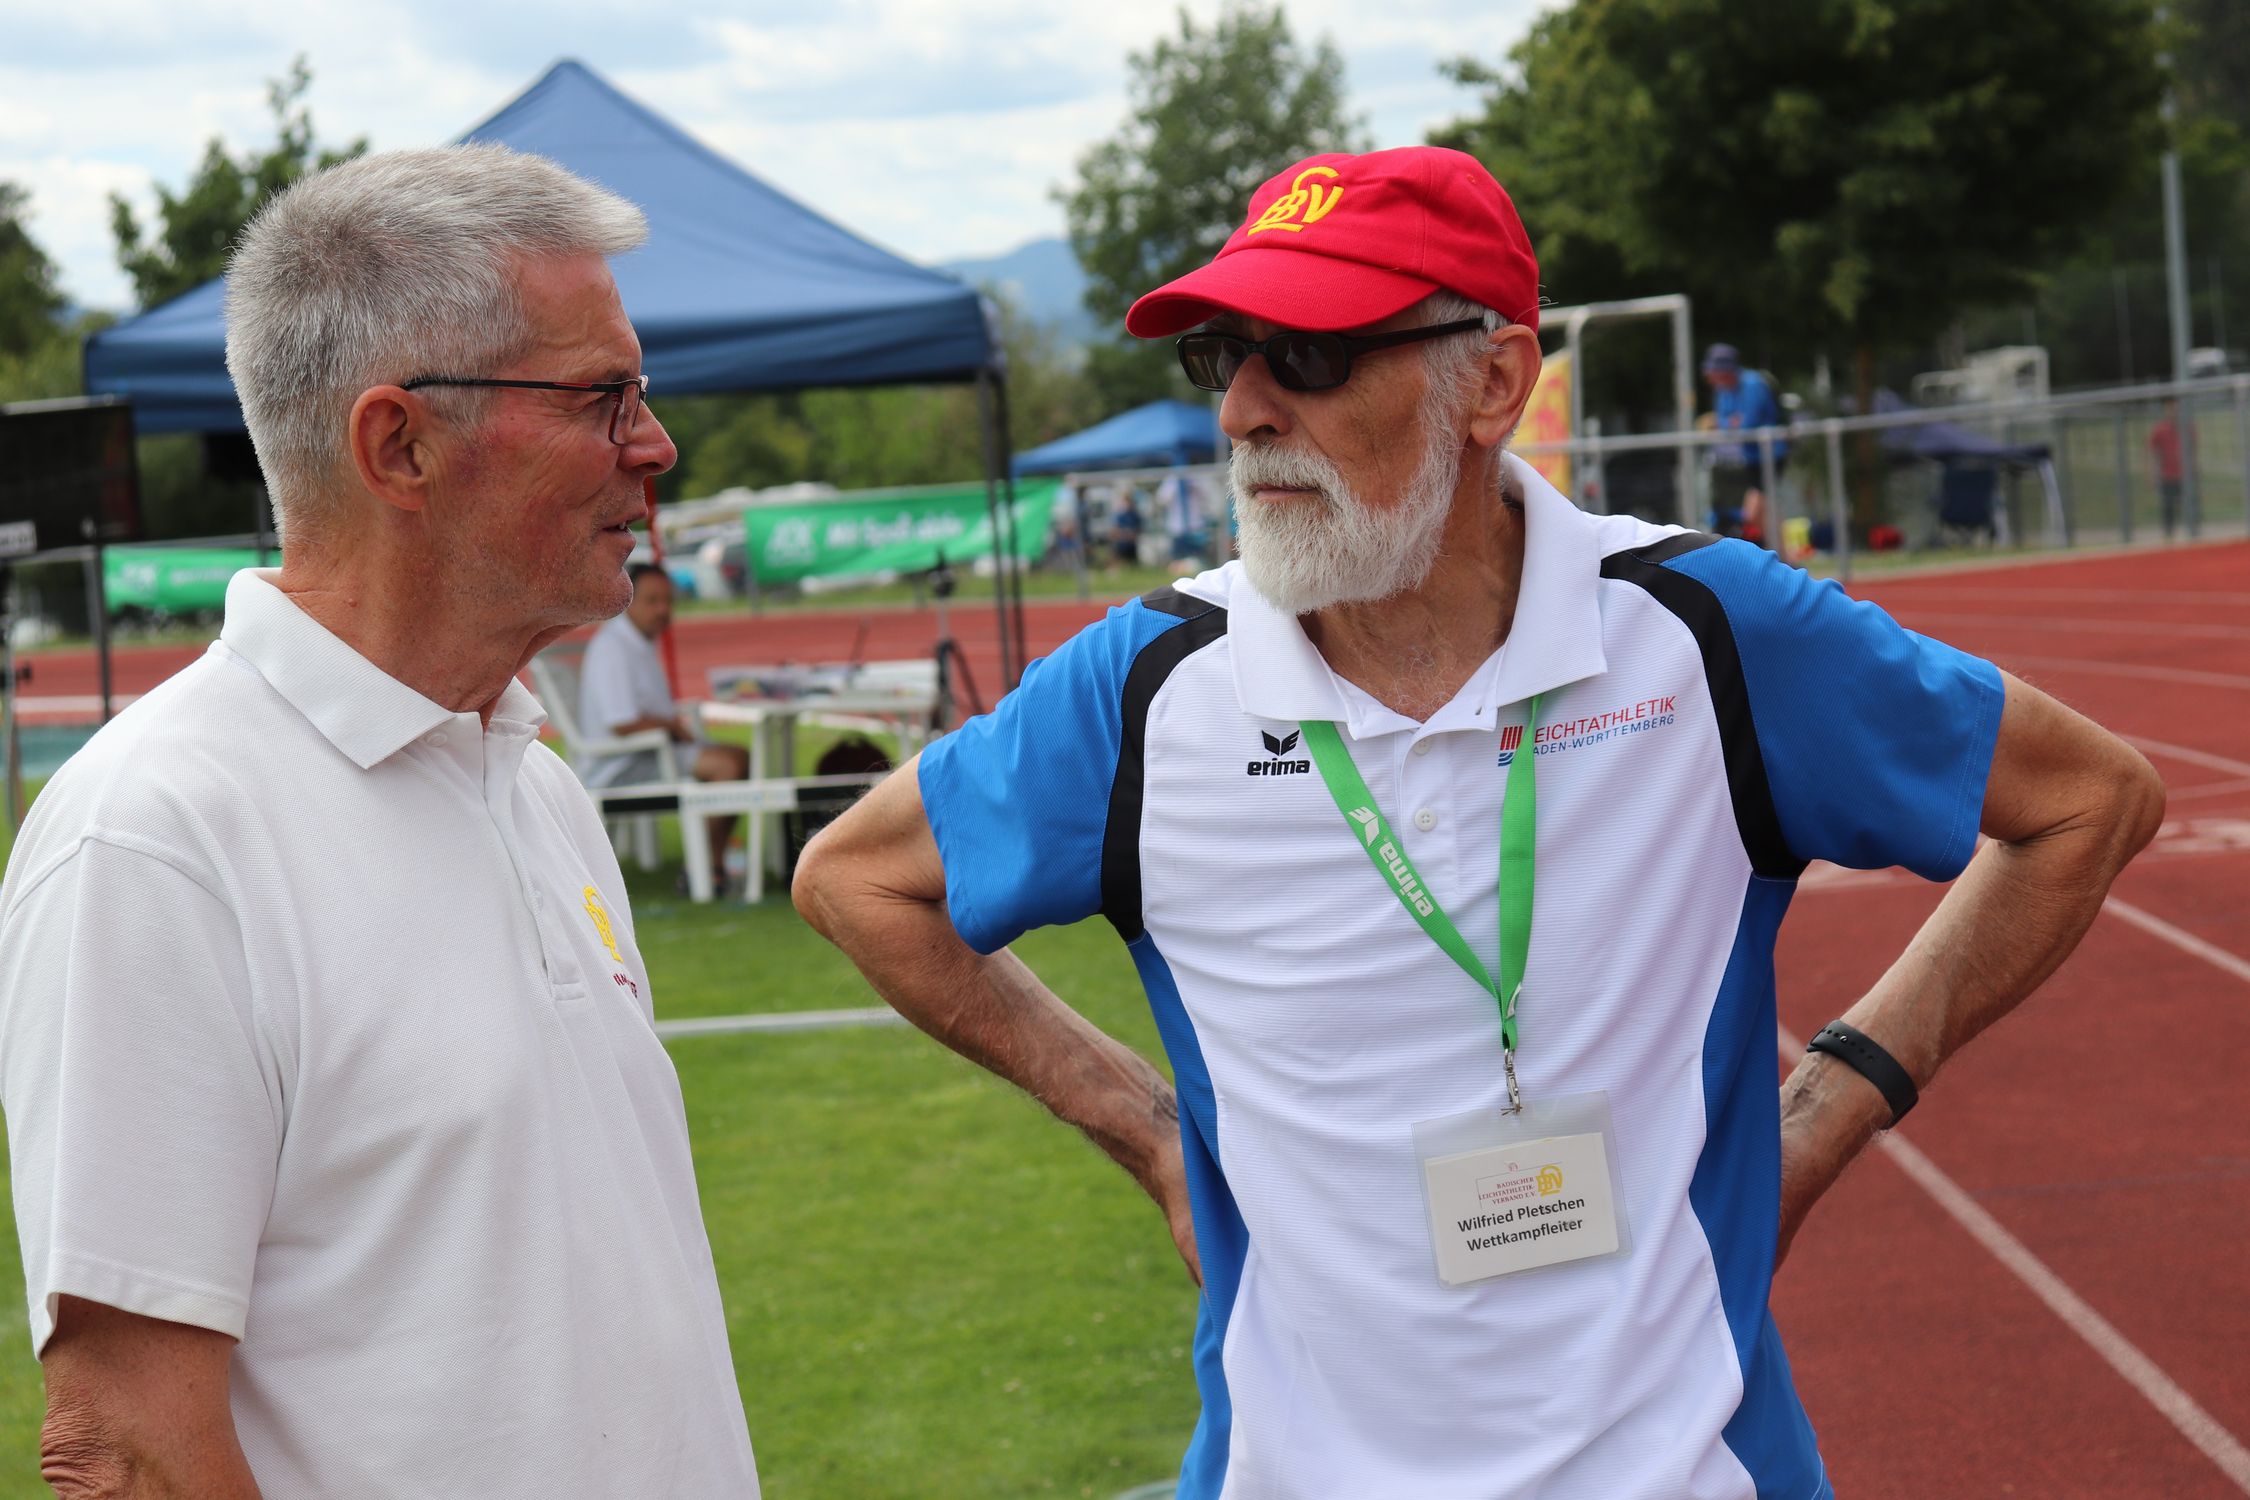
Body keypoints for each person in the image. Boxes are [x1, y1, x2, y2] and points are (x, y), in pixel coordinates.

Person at [792, 144, 2164, 1499]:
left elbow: (2087, 798)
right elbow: (858, 881)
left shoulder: (1706, 633)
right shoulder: (1149, 689)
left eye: (1308, 356)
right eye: (1225, 354)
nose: (1244, 411)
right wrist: (1145, 1130)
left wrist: (1840, 1096)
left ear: (1493, 382)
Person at [0, 146, 761, 1496]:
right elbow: (122, 1445)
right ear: (397, 443)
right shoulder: (157, 838)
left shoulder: (527, 772)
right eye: (605, 395)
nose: (654, 443)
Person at [578, 561, 752, 881]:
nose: (663, 609)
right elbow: (622, 723)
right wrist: (671, 728)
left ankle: (711, 859)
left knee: (738, 758)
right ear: (628, 600)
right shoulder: (613, 649)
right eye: (653, 601)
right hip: (623, 762)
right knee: (729, 765)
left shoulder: (634, 641)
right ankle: (705, 867)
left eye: (668, 601)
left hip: (645, 752)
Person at [1703, 341, 1787, 539]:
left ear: (1725, 370)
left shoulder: (1752, 384)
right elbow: (1723, 422)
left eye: (1714, 370)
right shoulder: (1723, 391)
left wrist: (1729, 423)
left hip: (1771, 454)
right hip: (1751, 458)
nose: (1710, 376)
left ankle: (1784, 558)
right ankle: (1786, 558)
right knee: (1762, 512)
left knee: (1754, 511)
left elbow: (1747, 423)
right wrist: (1729, 423)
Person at [2147, 398, 2186, 538]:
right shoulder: (2160, 429)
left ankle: (2190, 533)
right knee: (2168, 507)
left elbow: (2193, 452)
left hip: (2184, 475)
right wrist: (2152, 474)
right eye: (2172, 409)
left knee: (2188, 505)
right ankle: (2169, 534)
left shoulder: (2187, 428)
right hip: (2167, 475)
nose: (2175, 413)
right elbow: (2153, 453)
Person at [1158, 467, 1205, 574]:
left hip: (1195, 526)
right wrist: (1176, 486)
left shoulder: (1196, 477)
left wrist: (1192, 486)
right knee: (1178, 557)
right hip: (1177, 526)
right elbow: (1162, 499)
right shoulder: (1172, 480)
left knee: (1196, 558)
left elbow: (1204, 495)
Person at [1109, 486, 1145, 570]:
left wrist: (1132, 535)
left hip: (1132, 545)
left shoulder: (1135, 515)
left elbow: (1139, 529)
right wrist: (1124, 534)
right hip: (1122, 544)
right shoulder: (1119, 515)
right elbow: (1114, 531)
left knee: (1133, 566)